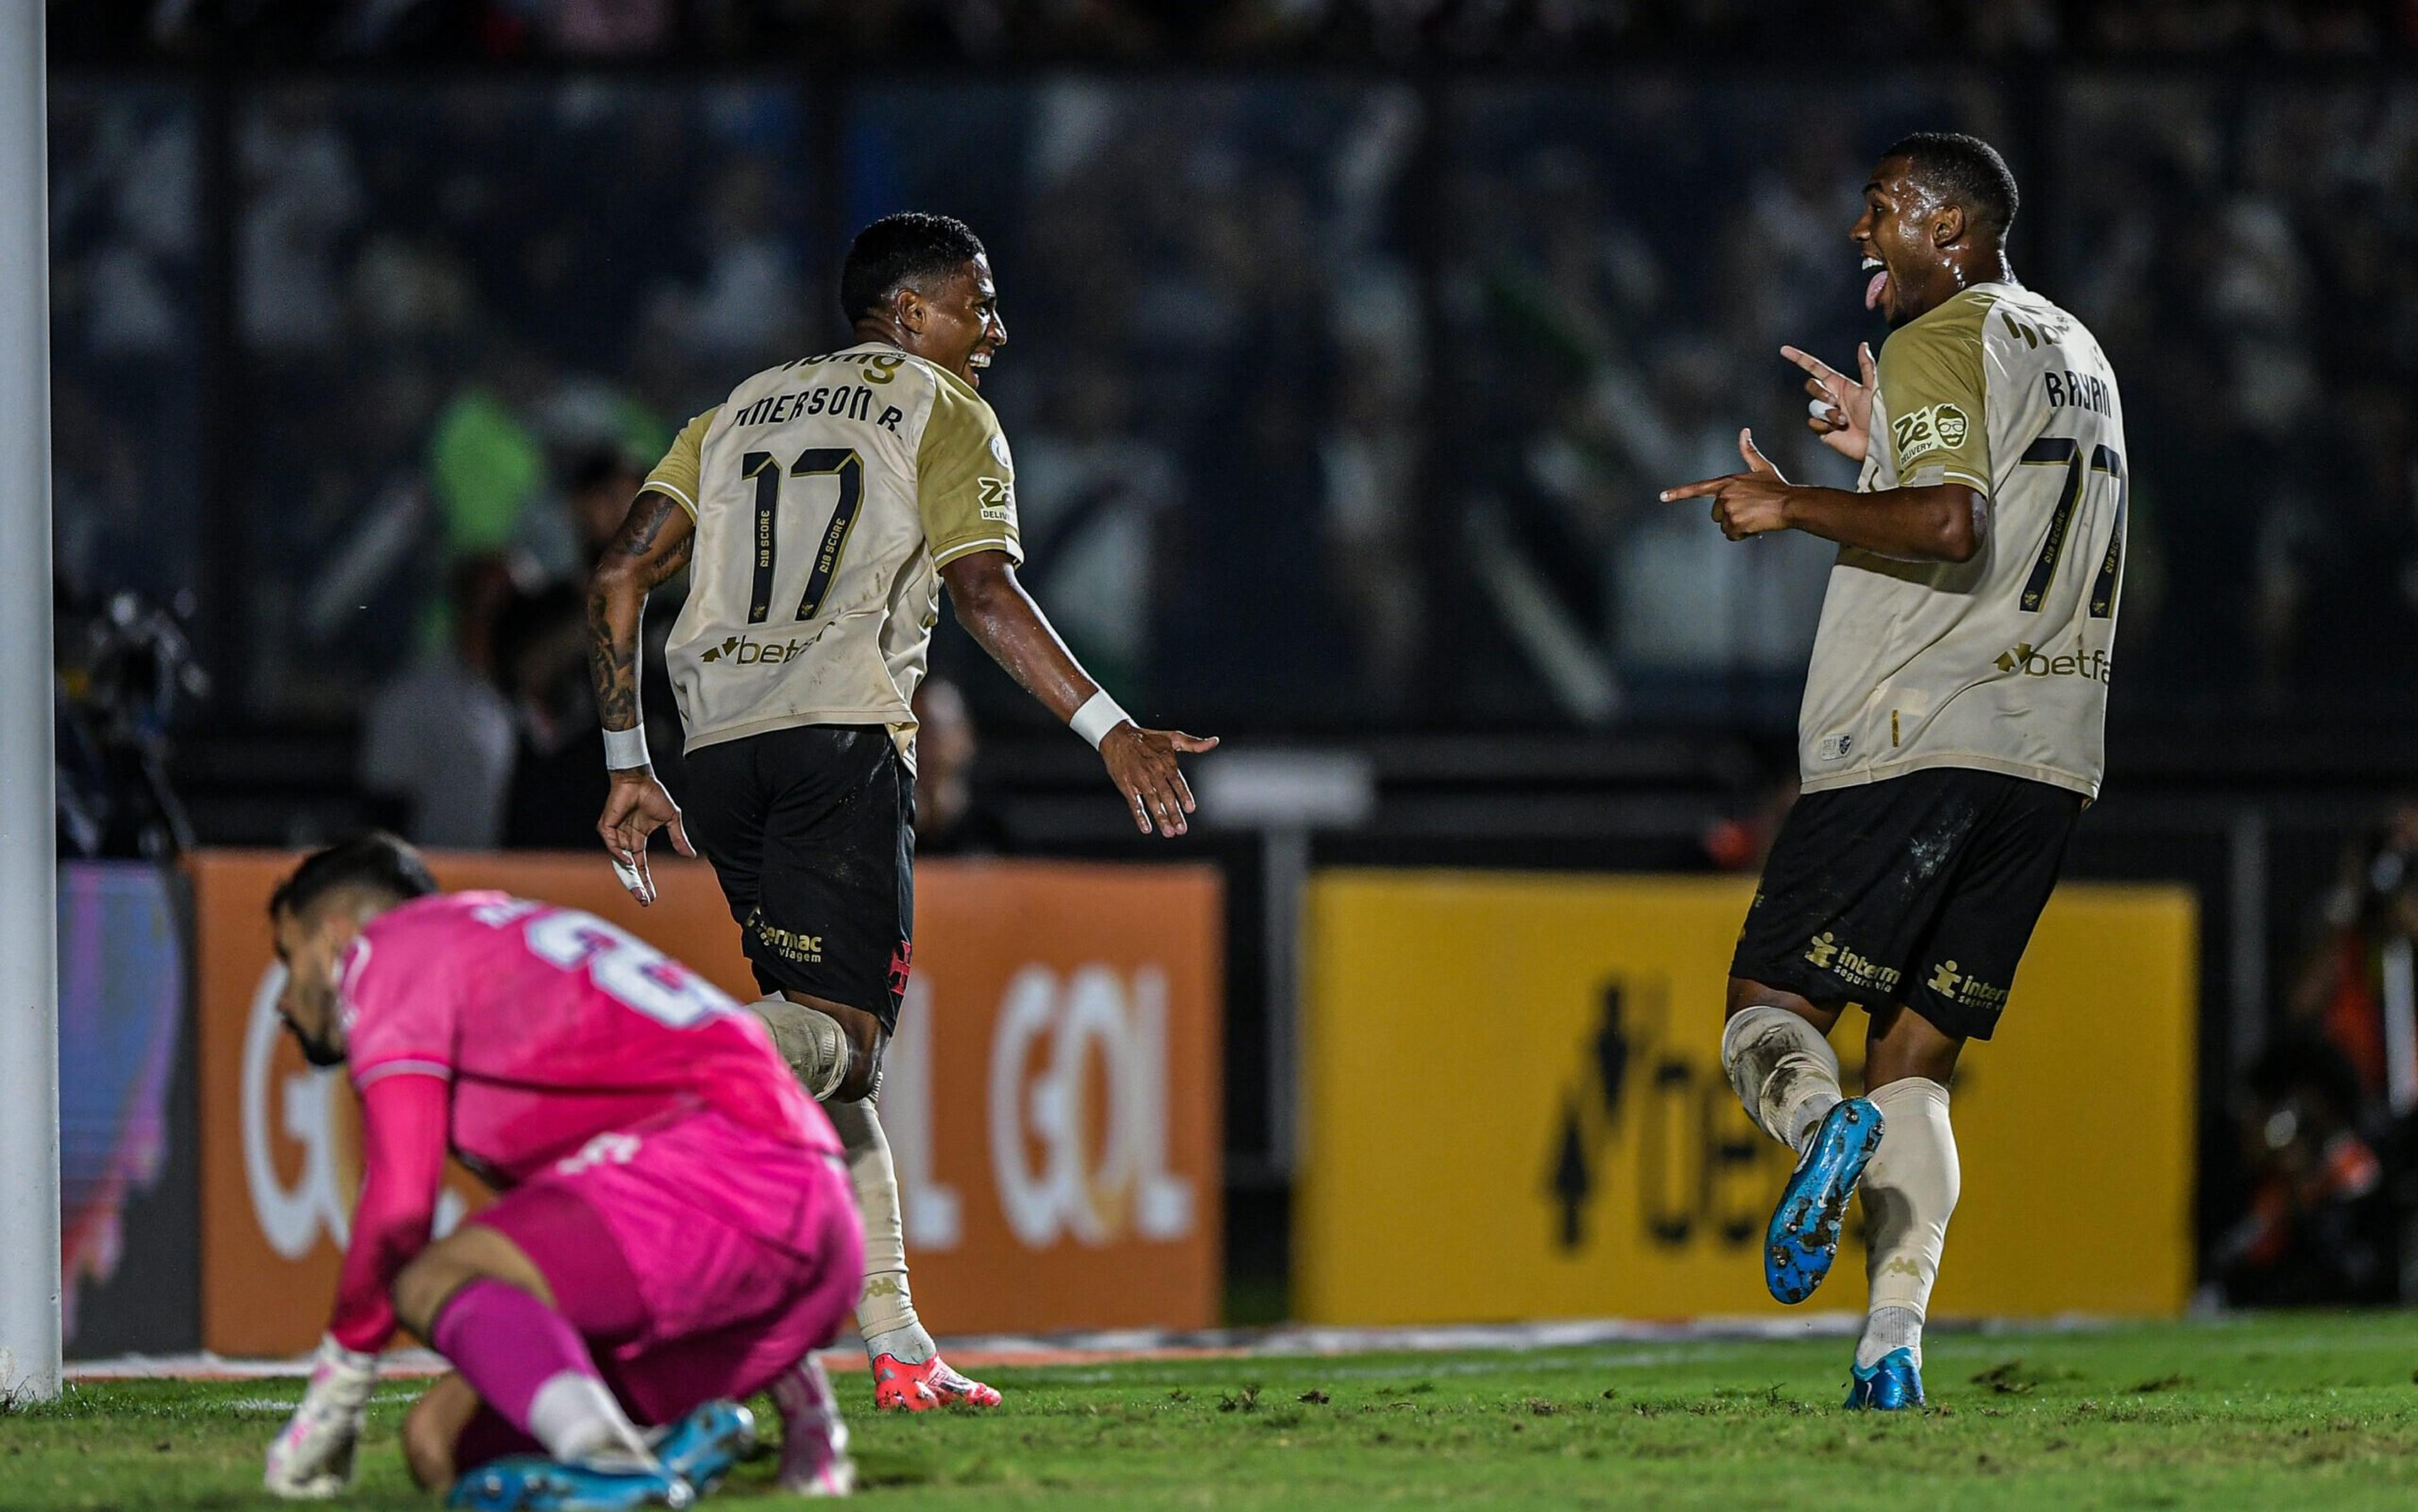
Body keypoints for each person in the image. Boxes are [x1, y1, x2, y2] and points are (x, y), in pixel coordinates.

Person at [585, 212, 1217, 1411]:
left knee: (830, 1060)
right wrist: (1109, 728)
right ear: (910, 313)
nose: (997, 328)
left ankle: (898, 1339)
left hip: (713, 747)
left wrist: (627, 761)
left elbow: (619, 571)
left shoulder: (731, 411)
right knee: (848, 1040)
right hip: (837, 737)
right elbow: (982, 588)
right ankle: (663, 1066)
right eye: (977, 303)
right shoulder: (944, 410)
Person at [1661, 133, 2126, 1410]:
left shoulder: (1943, 334)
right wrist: (1880, 441)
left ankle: (1822, 1139)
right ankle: (1893, 1348)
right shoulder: (2075, 349)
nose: (1862, 236)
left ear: (1951, 227)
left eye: (1882, 213)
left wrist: (1798, 503)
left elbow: (1952, 527)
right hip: (2052, 756)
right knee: (1915, 1061)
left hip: (1919, 731)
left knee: (1769, 1010)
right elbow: (1994, 499)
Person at [258, 834, 861, 1506]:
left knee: (434, 1274)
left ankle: (612, 1461)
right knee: (443, 1445)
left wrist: (338, 1391)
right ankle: (652, 1456)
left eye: (290, 957)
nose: (285, 998)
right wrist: (812, 1417)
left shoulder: (388, 951)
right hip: (807, 1234)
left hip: (731, 1178)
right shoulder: (499, 948)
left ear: (338, 939)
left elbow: (401, 1208)